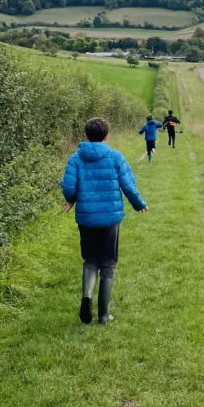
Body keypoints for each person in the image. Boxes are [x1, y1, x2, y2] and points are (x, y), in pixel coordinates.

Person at [61, 117, 148, 325]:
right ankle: (103, 315)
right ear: (107, 137)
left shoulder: (75, 159)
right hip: (110, 218)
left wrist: (70, 200)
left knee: (90, 260)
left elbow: (69, 188)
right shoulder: (116, 157)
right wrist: (139, 204)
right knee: (108, 263)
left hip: (86, 218)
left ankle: (87, 296)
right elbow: (128, 186)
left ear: (85, 136)